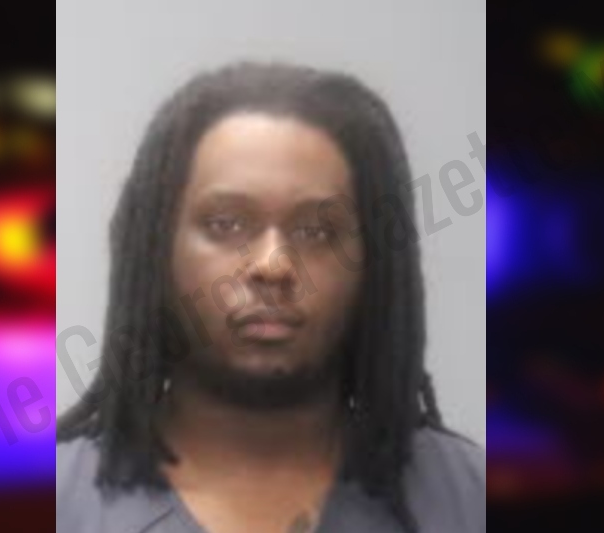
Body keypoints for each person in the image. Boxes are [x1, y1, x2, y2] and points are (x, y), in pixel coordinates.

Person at [56, 62, 484, 533]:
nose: (273, 266)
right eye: (226, 224)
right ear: (155, 248)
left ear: (374, 264)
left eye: (316, 231)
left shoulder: (470, 497)